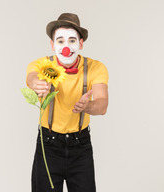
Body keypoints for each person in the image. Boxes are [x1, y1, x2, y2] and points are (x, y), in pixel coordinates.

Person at [26, 13, 109, 192]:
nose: (66, 47)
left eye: (72, 41)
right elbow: (32, 76)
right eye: (60, 41)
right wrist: (37, 84)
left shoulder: (95, 68)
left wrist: (88, 106)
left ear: (80, 43)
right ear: (52, 44)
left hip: (80, 146)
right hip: (48, 144)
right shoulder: (42, 65)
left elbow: (102, 105)